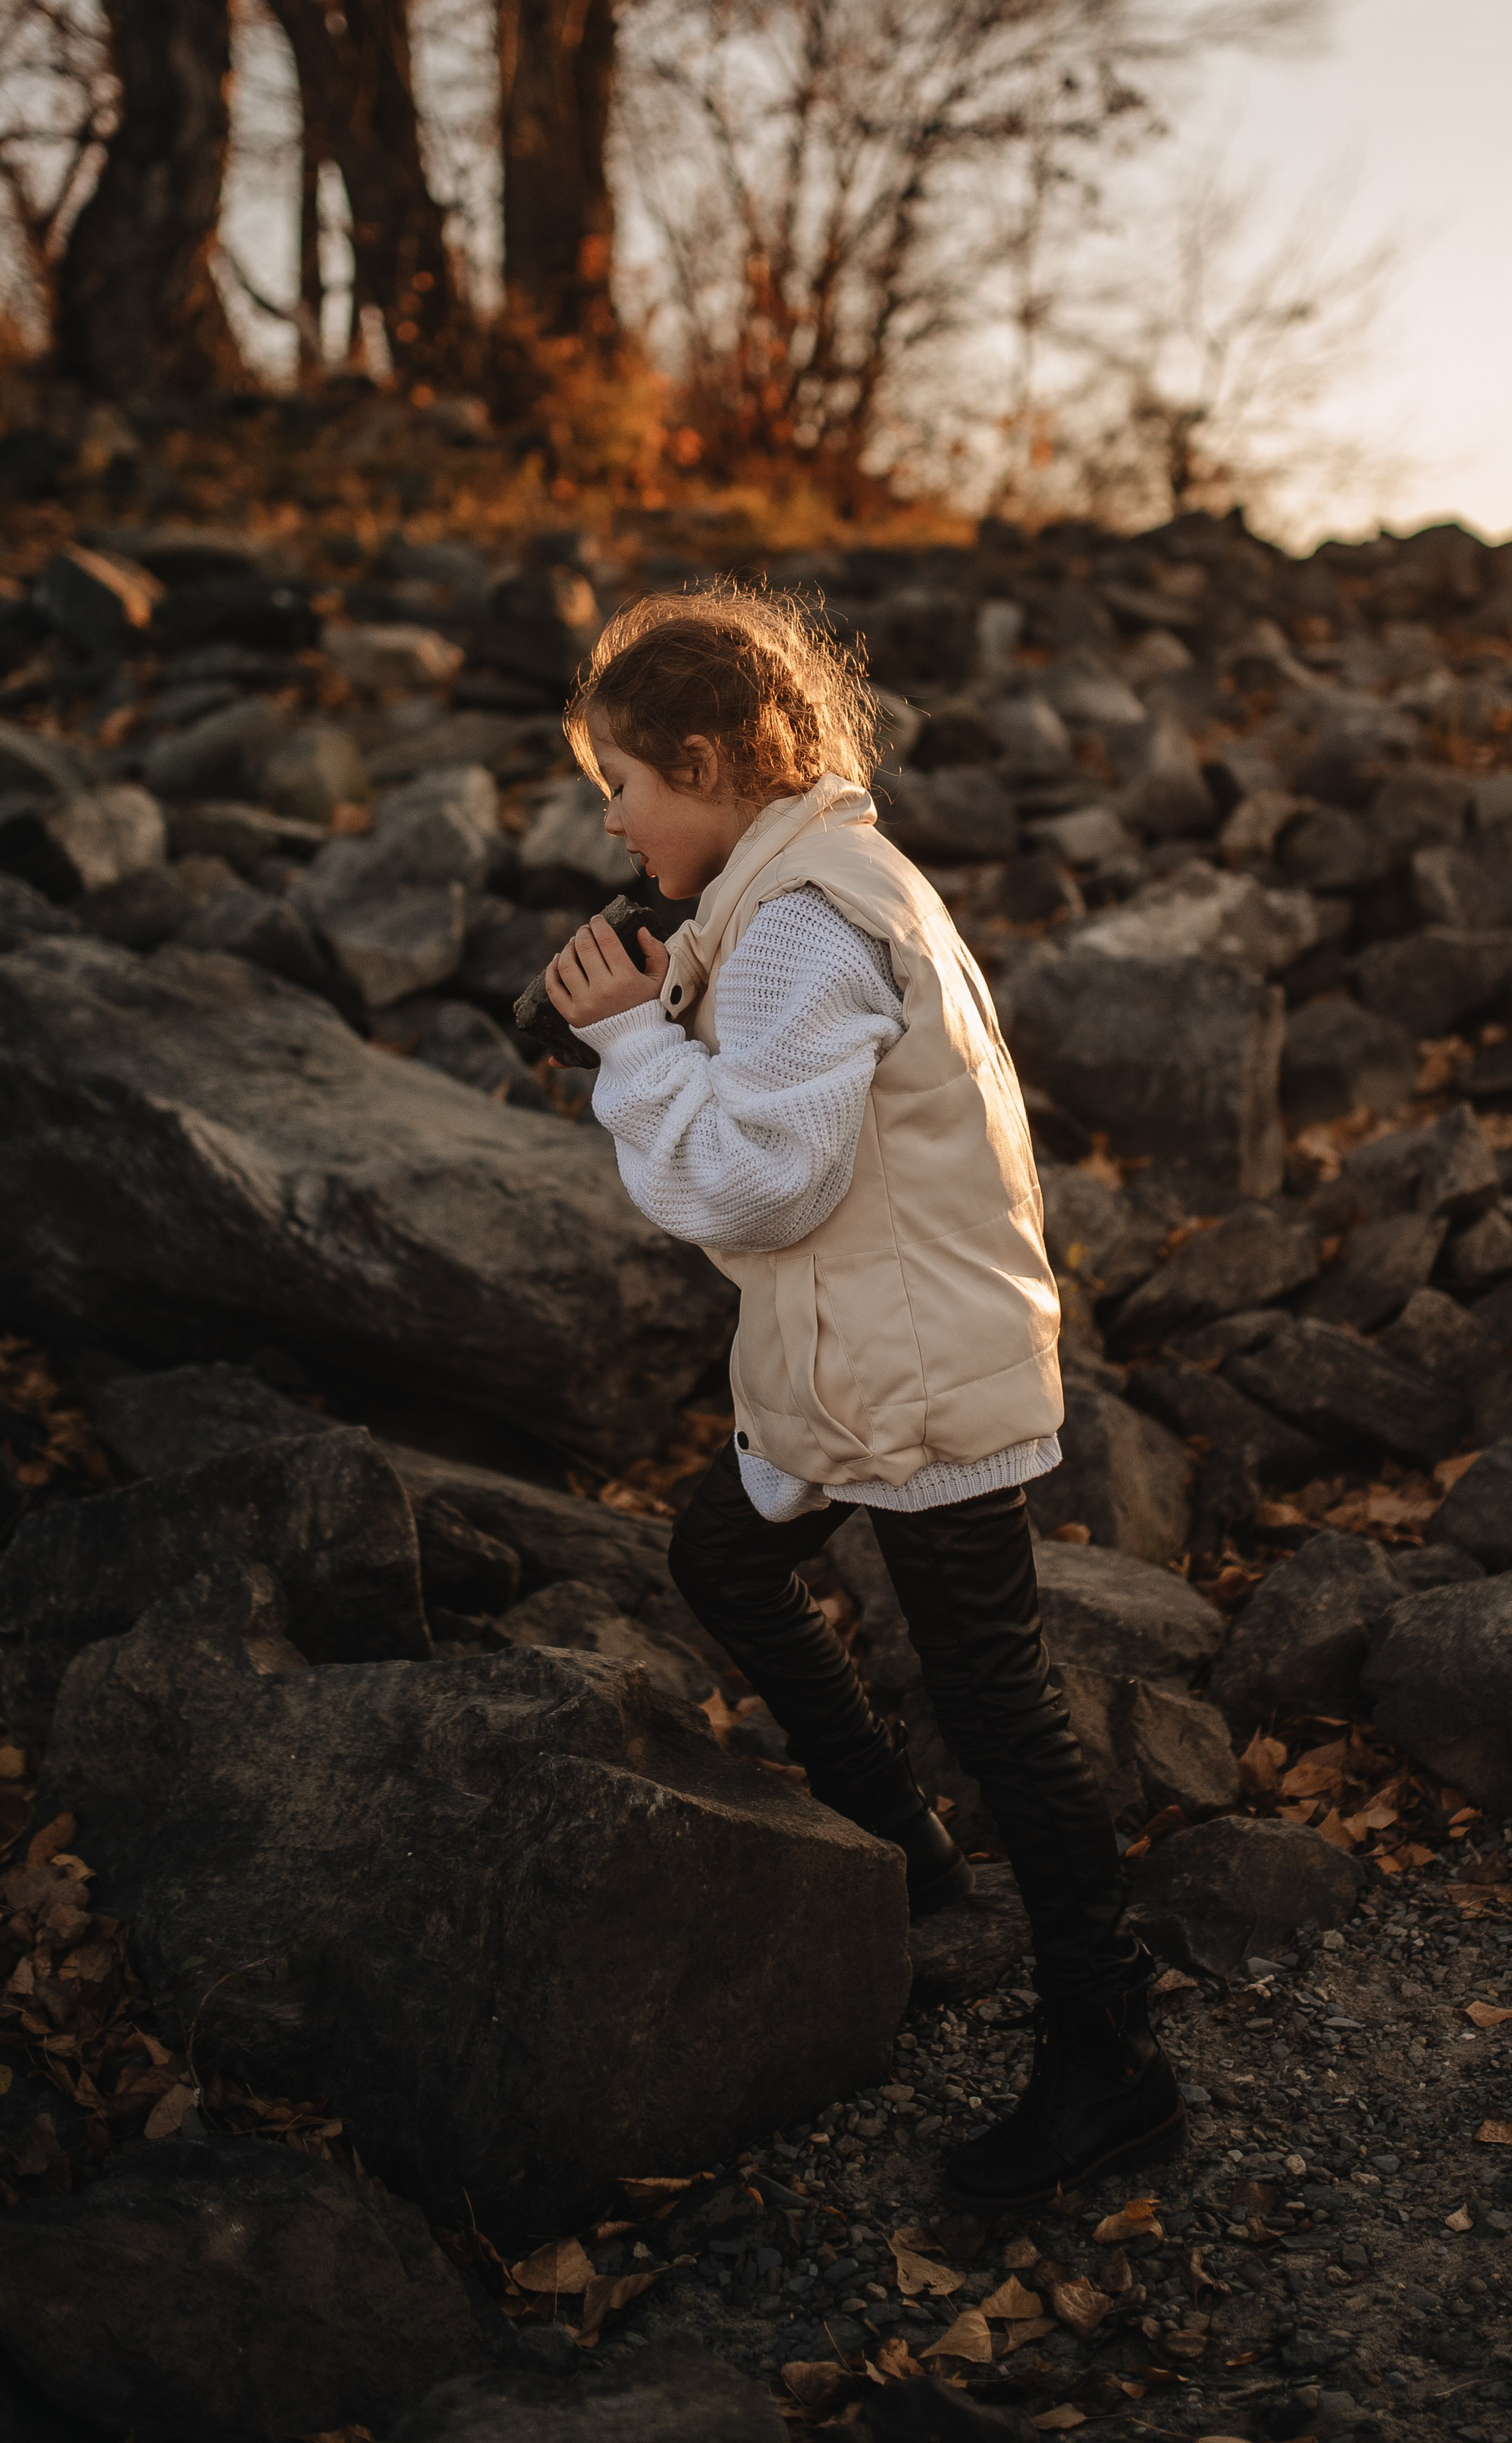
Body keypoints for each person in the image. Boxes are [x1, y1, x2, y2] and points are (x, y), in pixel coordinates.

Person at [542, 583, 1180, 2210]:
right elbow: (763, 1049)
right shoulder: (814, 877)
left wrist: (628, 1044)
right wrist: (644, 997)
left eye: (622, 781)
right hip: (854, 1352)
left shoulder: (805, 926)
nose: (610, 818)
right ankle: (899, 1846)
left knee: (998, 1696)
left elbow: (759, 1179)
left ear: (705, 760)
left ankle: (1110, 2065)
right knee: (724, 1554)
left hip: (904, 1367)